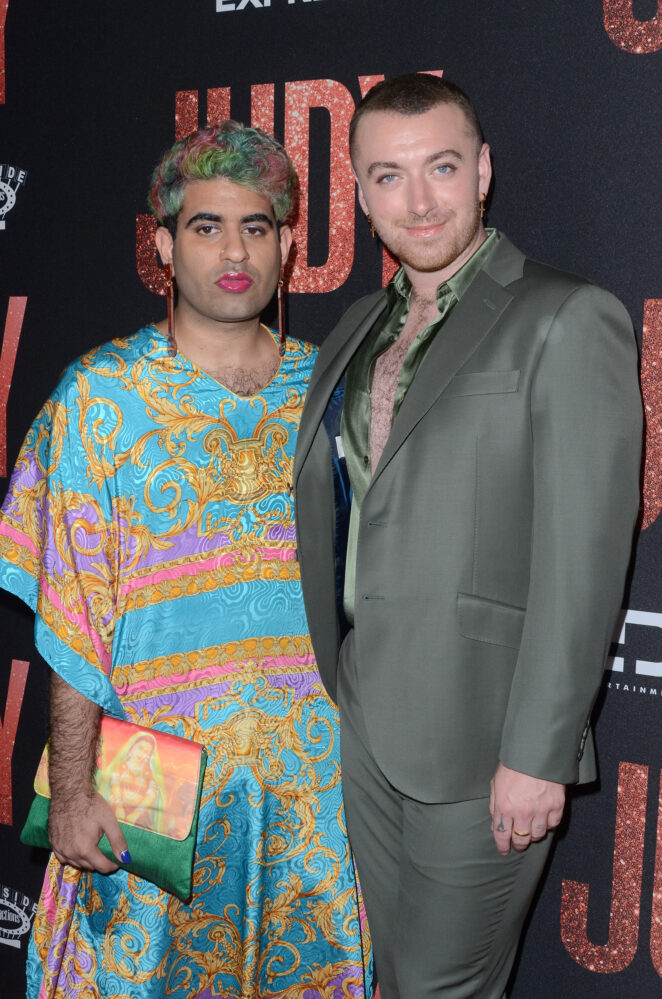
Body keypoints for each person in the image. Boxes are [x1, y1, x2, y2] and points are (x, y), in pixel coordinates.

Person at [0, 120, 373, 999]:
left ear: (287, 244)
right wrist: (78, 786)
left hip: (312, 795)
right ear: (164, 244)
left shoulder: (331, 393)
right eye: (206, 227)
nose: (233, 251)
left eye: (256, 226)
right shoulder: (98, 396)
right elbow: (72, 611)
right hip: (150, 783)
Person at [293, 74, 642, 999]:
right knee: (397, 979)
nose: (419, 201)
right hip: (365, 713)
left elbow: (584, 564)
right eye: (389, 176)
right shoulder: (357, 327)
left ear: (483, 171)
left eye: (442, 168)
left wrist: (537, 753)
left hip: (484, 736)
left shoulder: (566, 318)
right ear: (361, 194)